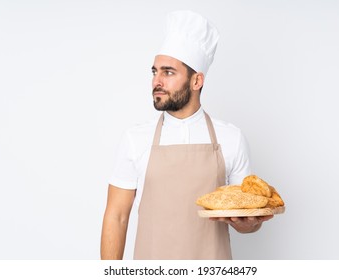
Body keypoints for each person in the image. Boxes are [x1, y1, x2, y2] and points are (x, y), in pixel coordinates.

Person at [100, 10, 273, 260]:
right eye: (154, 72)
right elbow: (116, 216)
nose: (157, 81)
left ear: (196, 81)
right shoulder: (135, 139)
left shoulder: (231, 138)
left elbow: (248, 216)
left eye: (168, 72)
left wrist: (248, 224)